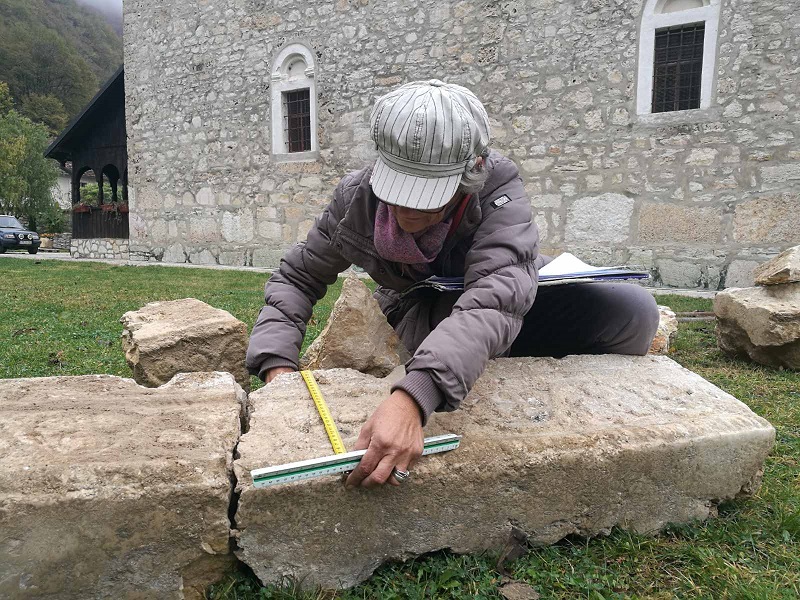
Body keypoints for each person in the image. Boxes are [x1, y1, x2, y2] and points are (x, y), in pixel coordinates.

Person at [246, 80, 659, 490]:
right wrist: (276, 364)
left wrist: (413, 398)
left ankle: (477, 354)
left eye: (427, 195)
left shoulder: (498, 187)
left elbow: (494, 298)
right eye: (398, 190)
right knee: (446, 323)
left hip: (495, 293)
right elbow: (297, 276)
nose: (408, 209)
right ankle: (474, 356)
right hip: (424, 309)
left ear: (470, 175)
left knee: (633, 313)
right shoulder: (356, 200)